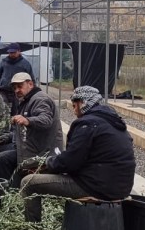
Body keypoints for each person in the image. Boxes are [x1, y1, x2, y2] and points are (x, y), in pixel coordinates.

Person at [18, 85, 135, 222]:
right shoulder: (113, 121)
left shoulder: (87, 124)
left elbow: (70, 162)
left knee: (29, 183)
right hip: (121, 186)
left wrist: (47, 164)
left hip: (96, 187)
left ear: (83, 103)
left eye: (74, 106)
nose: (74, 111)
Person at [0, 72, 62, 187]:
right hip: (28, 146)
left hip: (42, 152)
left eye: (20, 86)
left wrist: (28, 120)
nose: (17, 90)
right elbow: (17, 134)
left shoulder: (40, 99)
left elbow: (46, 120)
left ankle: (0, 192)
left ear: (30, 84)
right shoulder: (25, 101)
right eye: (15, 88)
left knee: (1, 158)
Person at [0, 44, 35, 113]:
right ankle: (3, 123)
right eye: (10, 52)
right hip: (4, 90)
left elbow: (31, 78)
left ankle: (15, 123)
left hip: (18, 92)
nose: (12, 54)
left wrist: (33, 90)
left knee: (17, 110)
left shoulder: (25, 64)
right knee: (2, 110)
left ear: (19, 51)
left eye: (14, 52)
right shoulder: (3, 62)